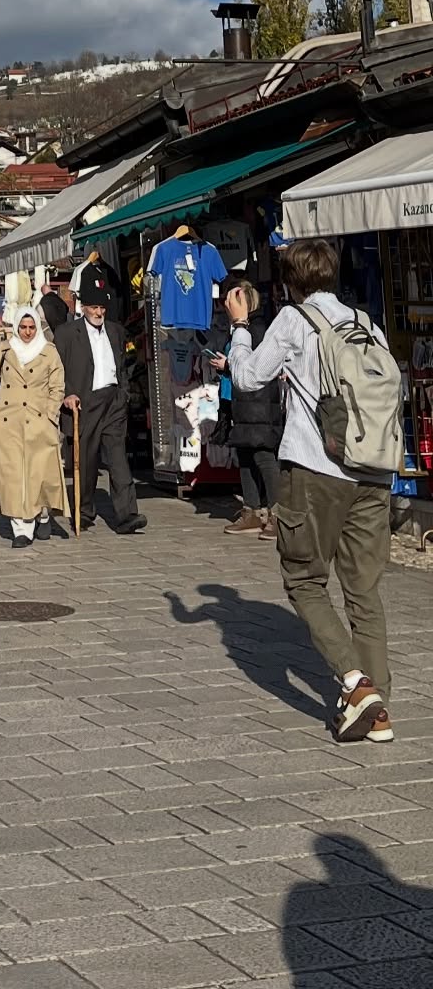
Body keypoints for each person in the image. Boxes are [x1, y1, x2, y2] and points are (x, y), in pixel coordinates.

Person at [227, 238, 395, 744]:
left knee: (303, 580)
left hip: (317, 468)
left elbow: (248, 378)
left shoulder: (294, 320)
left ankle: (356, 685)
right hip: (373, 470)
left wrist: (240, 327)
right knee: (363, 591)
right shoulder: (366, 323)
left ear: (290, 282)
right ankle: (379, 712)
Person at [55, 285, 146, 535]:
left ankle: (127, 514)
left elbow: (122, 364)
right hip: (85, 401)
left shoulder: (115, 331)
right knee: (86, 460)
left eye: (102, 308)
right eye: (94, 307)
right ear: (83, 308)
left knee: (118, 459)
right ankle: (84, 511)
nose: (98, 312)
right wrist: (66, 394)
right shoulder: (66, 333)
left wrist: (123, 393)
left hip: (113, 400)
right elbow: (56, 370)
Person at [0, 307, 70, 548]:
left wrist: (50, 414)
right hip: (7, 421)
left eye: (32, 327)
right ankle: (21, 529)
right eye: (23, 327)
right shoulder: (4, 350)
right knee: (12, 476)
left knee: (38, 474)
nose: (27, 332)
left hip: (38, 420)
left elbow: (57, 386)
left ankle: (42, 514)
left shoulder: (49, 352)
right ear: (16, 327)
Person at [207, 278, 283, 536]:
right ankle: (252, 510)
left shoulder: (258, 329)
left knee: (264, 457)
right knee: (246, 456)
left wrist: (228, 365)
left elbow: (255, 366)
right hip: (242, 404)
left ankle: (278, 513)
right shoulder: (239, 330)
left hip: (260, 405)